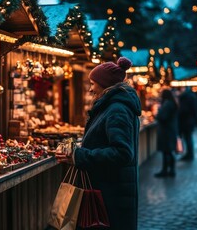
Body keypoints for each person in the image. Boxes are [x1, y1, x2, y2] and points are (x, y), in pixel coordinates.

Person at [56, 57, 141, 230]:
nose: (90, 88)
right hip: (109, 190)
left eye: (93, 83)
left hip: (111, 194)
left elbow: (122, 153)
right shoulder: (112, 107)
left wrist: (78, 155)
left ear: (105, 85)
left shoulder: (116, 110)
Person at [154, 89, 179, 178]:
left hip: (166, 131)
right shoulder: (172, 103)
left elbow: (162, 117)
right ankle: (170, 170)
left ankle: (166, 170)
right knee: (169, 151)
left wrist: (158, 113)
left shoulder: (167, 104)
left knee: (166, 151)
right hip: (170, 130)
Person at [177, 87, 197, 161]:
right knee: (188, 138)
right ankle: (190, 154)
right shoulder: (192, 97)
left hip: (185, 122)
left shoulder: (184, 99)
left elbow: (182, 111)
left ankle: (189, 154)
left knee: (188, 138)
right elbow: (195, 110)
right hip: (190, 121)